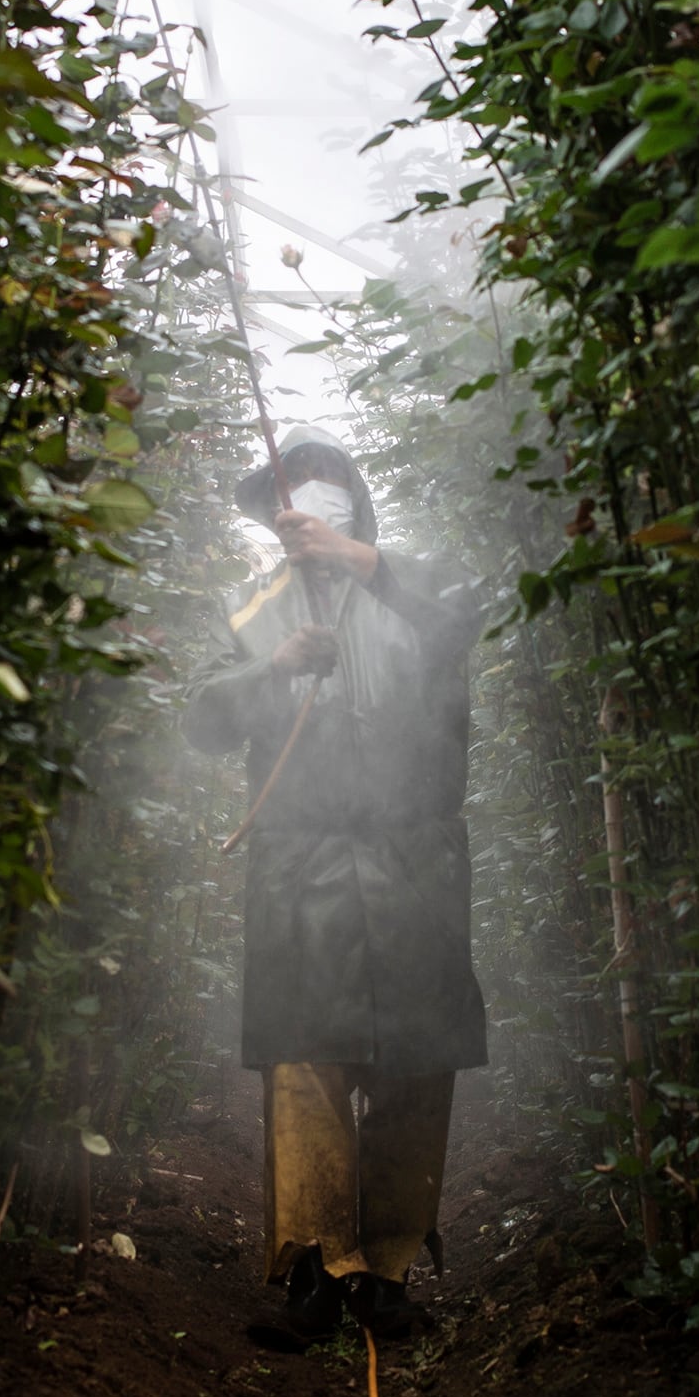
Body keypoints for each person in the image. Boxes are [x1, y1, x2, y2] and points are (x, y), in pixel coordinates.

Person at [181, 426, 486, 1348]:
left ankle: (389, 1270)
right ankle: (316, 1268)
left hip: (413, 863)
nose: (310, 499)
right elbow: (201, 722)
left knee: (414, 1066)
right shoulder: (252, 613)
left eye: (327, 483)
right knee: (305, 1068)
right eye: (293, 488)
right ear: (274, 518)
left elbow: (462, 617)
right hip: (300, 867)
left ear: (353, 496)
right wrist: (272, 669)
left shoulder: (412, 585)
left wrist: (360, 561)